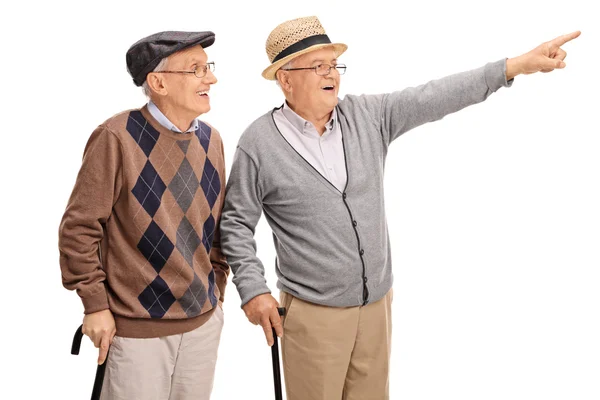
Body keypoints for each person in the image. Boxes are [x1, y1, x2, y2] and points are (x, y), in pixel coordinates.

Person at [220, 15, 580, 400]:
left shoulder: (368, 116)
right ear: (285, 79)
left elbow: (434, 96)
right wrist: (253, 290)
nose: (333, 75)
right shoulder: (259, 143)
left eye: (334, 64)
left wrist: (515, 67)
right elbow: (236, 222)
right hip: (313, 315)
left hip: (376, 308)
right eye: (318, 65)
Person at [58, 31, 229, 400]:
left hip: (202, 326)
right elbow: (79, 229)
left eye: (208, 67)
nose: (210, 78)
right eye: (196, 70)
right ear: (158, 82)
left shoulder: (212, 141)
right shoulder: (115, 137)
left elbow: (216, 228)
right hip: (136, 333)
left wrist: (217, 288)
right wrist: (95, 305)